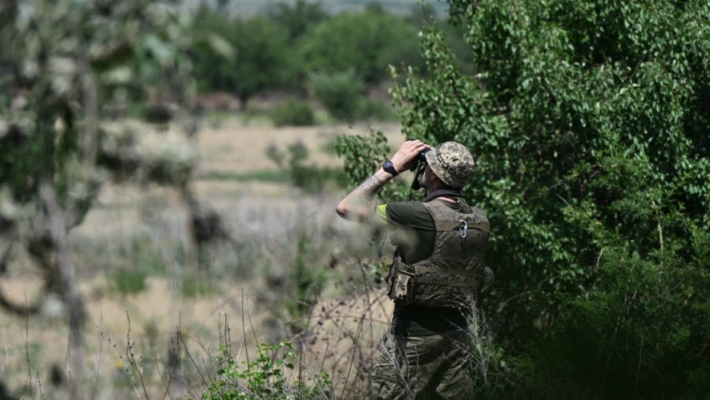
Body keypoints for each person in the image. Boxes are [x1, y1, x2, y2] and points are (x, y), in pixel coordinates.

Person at [335, 140, 490, 400]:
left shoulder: (414, 214)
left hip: (413, 339)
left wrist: (391, 167)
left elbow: (346, 207)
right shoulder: (478, 220)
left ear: (433, 174)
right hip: (458, 336)